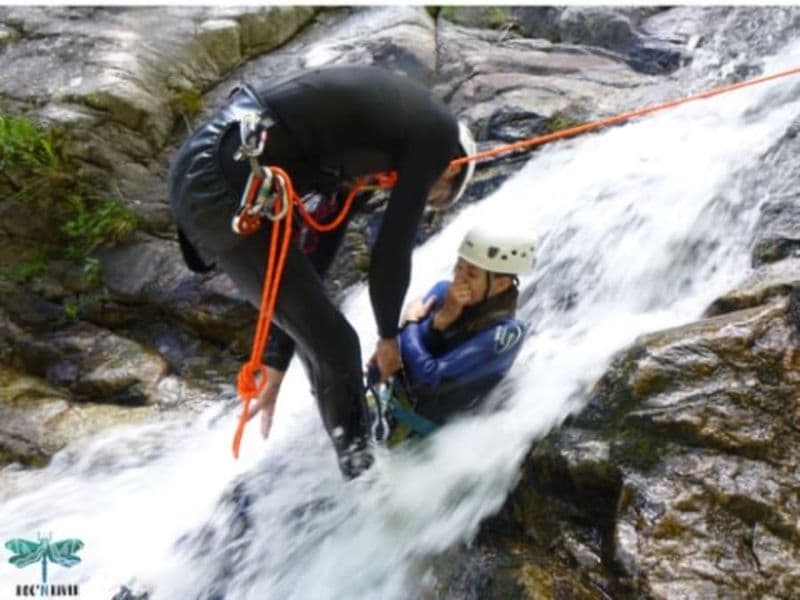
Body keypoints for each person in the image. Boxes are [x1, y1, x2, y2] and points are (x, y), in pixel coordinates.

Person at [167, 65, 477, 479]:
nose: (415, 198)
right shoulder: (437, 132)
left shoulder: (362, 147)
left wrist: (278, 359)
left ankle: (352, 467)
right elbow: (391, 250)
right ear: (452, 168)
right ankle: (363, 480)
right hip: (224, 173)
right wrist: (388, 339)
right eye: (432, 197)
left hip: (215, 166)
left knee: (329, 344)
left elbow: (316, 258)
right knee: (340, 345)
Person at [369, 225, 534, 445]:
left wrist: (409, 323)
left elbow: (430, 377)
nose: (459, 279)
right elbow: (403, 351)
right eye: (459, 267)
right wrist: (440, 321)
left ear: (501, 284)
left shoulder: (506, 333)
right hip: (390, 406)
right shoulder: (441, 291)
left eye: (472, 274)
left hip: (424, 442)